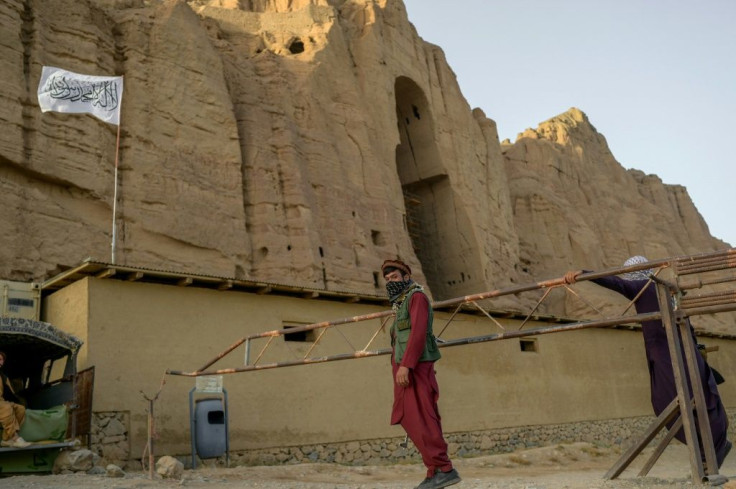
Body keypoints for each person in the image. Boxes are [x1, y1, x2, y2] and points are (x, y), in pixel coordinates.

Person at [564, 256, 731, 467]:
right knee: (698, 398)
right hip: (686, 353)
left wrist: (583, 273)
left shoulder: (640, 286)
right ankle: (711, 451)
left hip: (666, 355)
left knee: (667, 402)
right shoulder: (667, 293)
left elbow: (614, 283)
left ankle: (709, 452)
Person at [381, 259, 461, 489]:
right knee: (409, 417)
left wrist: (406, 365)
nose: (390, 282)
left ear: (406, 277)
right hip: (403, 367)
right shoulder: (400, 304)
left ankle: (444, 468)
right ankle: (433, 470)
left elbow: (417, 334)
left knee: (424, 417)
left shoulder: (416, 298)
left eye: (394, 278)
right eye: (387, 280)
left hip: (415, 367)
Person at [0, 351, 31, 448]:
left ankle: (6, 439)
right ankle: (15, 438)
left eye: (0, 359)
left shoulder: (3, 377)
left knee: (20, 408)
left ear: (3, 362)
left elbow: (11, 393)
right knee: (6, 407)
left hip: (1, 401)